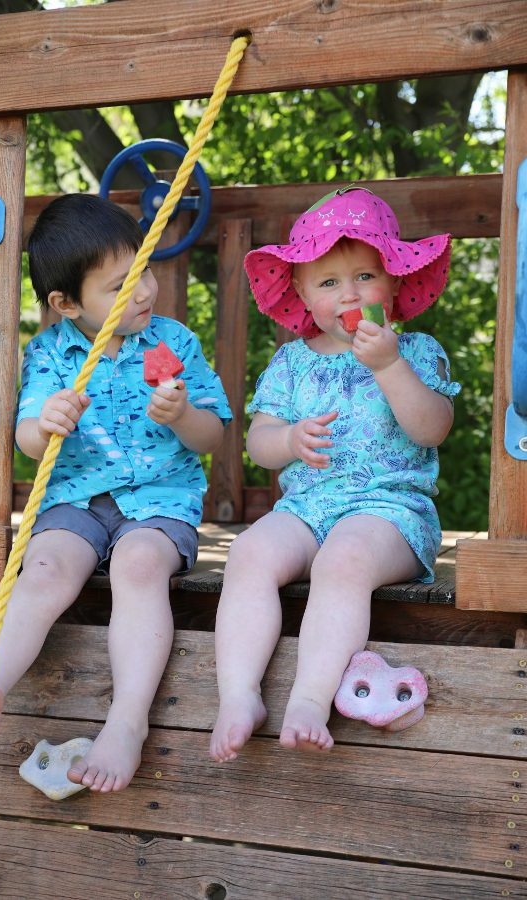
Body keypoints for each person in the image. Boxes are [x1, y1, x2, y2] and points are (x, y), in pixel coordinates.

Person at [0, 193, 232, 792]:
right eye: (123, 284)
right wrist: (43, 421)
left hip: (158, 501)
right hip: (75, 500)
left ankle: (126, 723)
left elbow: (213, 434)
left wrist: (181, 415)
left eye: (145, 270)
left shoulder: (172, 343)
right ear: (66, 302)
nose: (146, 290)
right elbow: (25, 436)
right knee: (43, 567)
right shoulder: (51, 353)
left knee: (139, 564)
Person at [210, 185, 460, 761]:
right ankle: (239, 694)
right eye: (328, 283)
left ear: (394, 281)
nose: (349, 294)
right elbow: (258, 444)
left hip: (390, 513)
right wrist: (289, 440)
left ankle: (309, 699)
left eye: (365, 277)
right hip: (306, 509)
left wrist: (390, 365)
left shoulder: (415, 350)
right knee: (248, 554)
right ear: (301, 291)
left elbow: (432, 427)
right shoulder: (293, 362)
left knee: (341, 560)